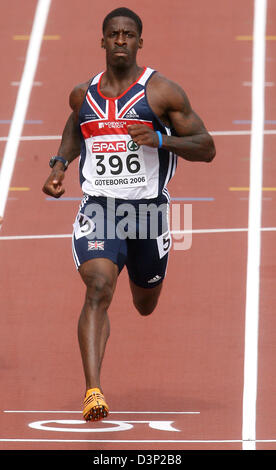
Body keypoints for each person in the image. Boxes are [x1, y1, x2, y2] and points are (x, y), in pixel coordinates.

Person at [42, 7, 216, 422]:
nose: (121, 40)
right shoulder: (83, 94)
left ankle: (143, 278)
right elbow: (75, 126)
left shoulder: (162, 93)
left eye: (129, 35)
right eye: (114, 34)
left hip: (148, 213)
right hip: (100, 207)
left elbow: (206, 147)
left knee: (144, 303)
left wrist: (159, 138)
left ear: (140, 41)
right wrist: (59, 165)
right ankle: (93, 391)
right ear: (102, 41)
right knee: (99, 287)